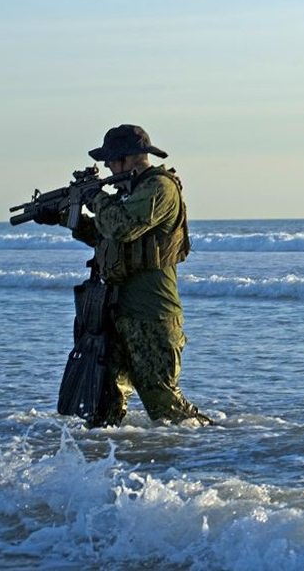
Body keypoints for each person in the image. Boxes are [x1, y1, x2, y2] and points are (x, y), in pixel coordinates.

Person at [40, 124, 210, 427]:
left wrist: (96, 198)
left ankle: (213, 447)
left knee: (164, 404)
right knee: (103, 403)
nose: (106, 166)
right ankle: (105, 468)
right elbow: (105, 236)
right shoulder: (126, 193)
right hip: (116, 310)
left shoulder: (160, 188)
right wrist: (62, 217)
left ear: (129, 158)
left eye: (110, 159)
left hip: (151, 312)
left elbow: (123, 227)